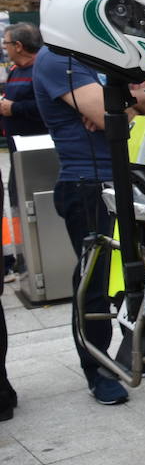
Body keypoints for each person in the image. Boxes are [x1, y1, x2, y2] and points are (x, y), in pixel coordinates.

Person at [34, 0, 145, 405]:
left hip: (127, 173)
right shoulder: (57, 57)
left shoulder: (103, 54)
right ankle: (97, 368)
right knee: (95, 280)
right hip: (87, 182)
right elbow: (110, 113)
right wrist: (122, 107)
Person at [1, 23, 48, 278]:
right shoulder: (15, 70)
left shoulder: (41, 70)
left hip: (37, 155)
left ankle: (39, 259)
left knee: (33, 205)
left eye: (6, 44)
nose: (5, 49)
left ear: (18, 46)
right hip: (16, 152)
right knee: (17, 203)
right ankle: (23, 257)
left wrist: (13, 109)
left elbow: (45, 106)